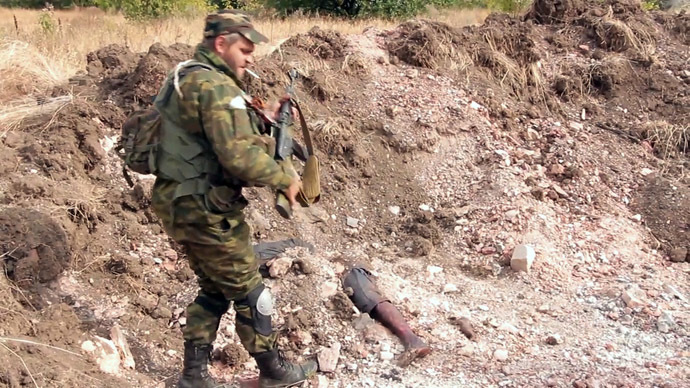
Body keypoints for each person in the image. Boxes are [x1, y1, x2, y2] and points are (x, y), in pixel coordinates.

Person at [149, 9, 317, 388]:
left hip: (179, 202)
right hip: (206, 209)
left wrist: (264, 118)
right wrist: (283, 178)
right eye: (243, 49)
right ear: (221, 44)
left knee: (213, 288)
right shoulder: (218, 88)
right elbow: (239, 157)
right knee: (251, 292)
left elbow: (211, 133)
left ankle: (194, 377)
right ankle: (274, 373)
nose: (250, 57)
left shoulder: (188, 75)